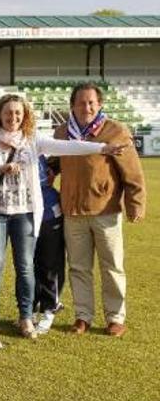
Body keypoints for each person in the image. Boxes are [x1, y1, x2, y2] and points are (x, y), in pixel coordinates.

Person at [0, 93, 124, 344]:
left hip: (26, 213)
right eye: (8, 113)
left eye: (18, 112)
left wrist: (102, 147)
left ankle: (26, 316)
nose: (13, 117)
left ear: (25, 115)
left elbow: (70, 147)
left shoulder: (33, 140)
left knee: (25, 268)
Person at [53, 82, 146, 336]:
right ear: (72, 105)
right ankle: (83, 316)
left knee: (112, 266)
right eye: (82, 102)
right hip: (73, 211)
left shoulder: (115, 131)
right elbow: (52, 164)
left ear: (100, 104)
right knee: (78, 267)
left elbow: (133, 172)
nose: (87, 107)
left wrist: (135, 203)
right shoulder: (62, 132)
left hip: (106, 210)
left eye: (92, 102)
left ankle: (115, 317)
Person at [32, 156, 65, 334]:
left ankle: (49, 309)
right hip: (25, 214)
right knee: (28, 266)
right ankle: (30, 309)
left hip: (49, 213)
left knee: (50, 263)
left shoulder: (39, 146)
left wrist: (52, 170)